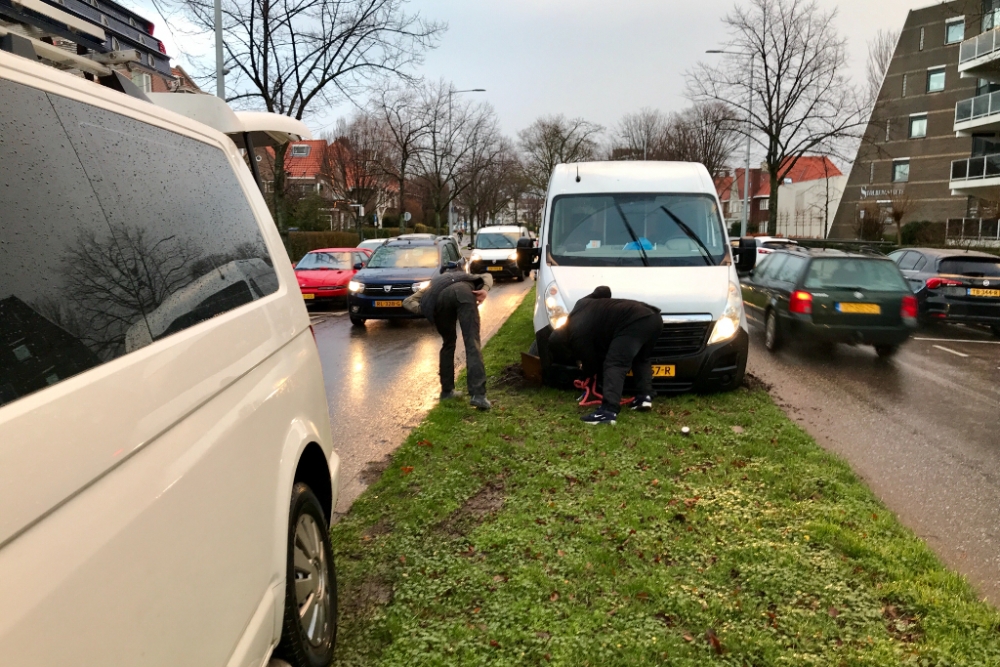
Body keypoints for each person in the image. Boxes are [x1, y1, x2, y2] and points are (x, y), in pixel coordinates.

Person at [548, 286, 663, 425]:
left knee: (614, 364)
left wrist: (582, 370)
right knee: (641, 358)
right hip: (653, 317)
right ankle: (644, 397)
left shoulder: (576, 335)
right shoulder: (580, 304)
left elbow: (592, 365)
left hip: (633, 321)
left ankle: (608, 411)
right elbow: (604, 290)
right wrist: (604, 309)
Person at [407, 270, 493, 410]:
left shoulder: (434, 285)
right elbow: (487, 276)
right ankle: (478, 395)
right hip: (464, 294)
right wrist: (484, 290)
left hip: (440, 301)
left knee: (448, 343)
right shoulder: (466, 277)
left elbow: (408, 301)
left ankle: (447, 392)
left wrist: (425, 309)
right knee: (472, 342)